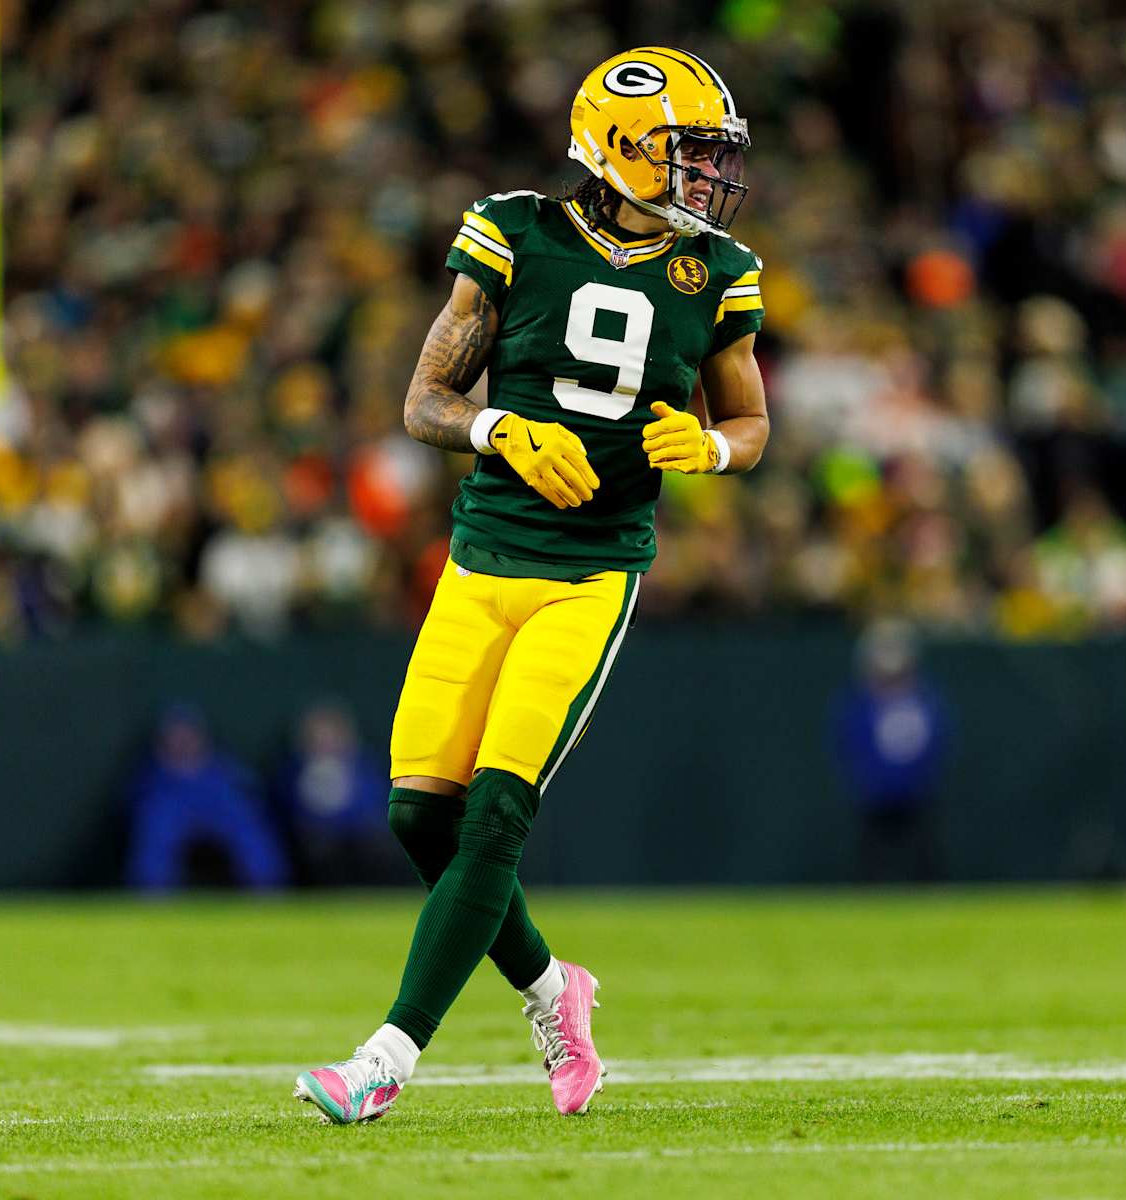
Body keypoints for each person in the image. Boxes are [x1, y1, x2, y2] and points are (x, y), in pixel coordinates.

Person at [295, 47, 768, 1125]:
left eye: (710, 156)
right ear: (614, 146)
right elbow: (424, 401)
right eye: (683, 152)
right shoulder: (515, 231)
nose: (703, 175)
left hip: (590, 576)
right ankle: (557, 993)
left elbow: (751, 420)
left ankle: (384, 1061)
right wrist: (501, 427)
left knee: (496, 818)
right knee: (421, 817)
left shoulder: (720, 269)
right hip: (481, 561)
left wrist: (714, 450)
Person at [125, 703, 289, 892]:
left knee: (248, 824)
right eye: (176, 735)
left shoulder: (221, 767)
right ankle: (152, 894)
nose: (182, 740)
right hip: (173, 806)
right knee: (156, 824)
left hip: (217, 807)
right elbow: (132, 796)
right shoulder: (154, 772)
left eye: (188, 734)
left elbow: (247, 786)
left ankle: (268, 889)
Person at [834, 619, 948, 882]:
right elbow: (850, 741)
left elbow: (935, 739)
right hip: (875, 795)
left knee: (924, 857)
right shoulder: (862, 704)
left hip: (915, 794)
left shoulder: (923, 700)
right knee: (871, 859)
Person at [277, 701, 402, 887]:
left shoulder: (363, 766)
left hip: (360, 838)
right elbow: (292, 811)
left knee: (377, 848)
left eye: (332, 735)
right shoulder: (293, 771)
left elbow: (375, 804)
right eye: (319, 736)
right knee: (320, 851)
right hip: (317, 842)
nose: (327, 742)